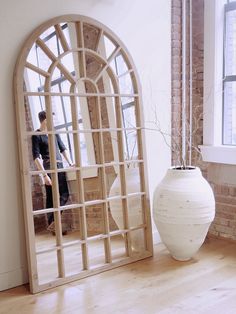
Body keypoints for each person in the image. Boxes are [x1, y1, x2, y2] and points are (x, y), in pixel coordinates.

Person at [32, 110, 73, 234]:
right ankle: (53, 225)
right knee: (51, 197)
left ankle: (53, 223)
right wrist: (44, 175)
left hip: (59, 167)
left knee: (64, 194)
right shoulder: (36, 135)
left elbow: (63, 148)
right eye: (51, 119)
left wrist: (71, 163)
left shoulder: (54, 133)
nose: (53, 122)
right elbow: (36, 157)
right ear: (45, 120)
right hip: (49, 168)